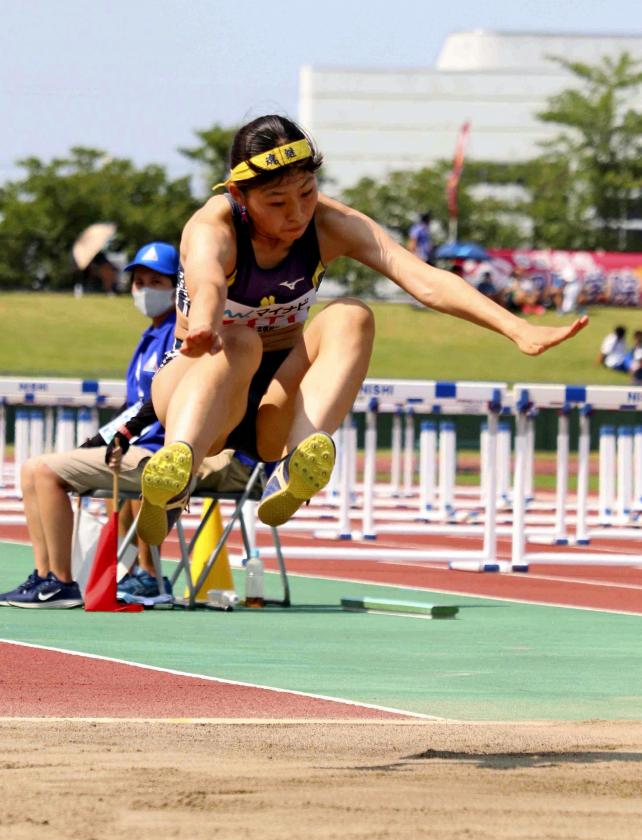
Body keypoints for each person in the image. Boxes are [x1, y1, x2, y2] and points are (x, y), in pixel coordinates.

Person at [137, 113, 588, 546]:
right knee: (241, 339)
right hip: (200, 385)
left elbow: (422, 278)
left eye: (307, 193)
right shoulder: (213, 225)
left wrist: (515, 328)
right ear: (239, 193)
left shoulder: (330, 224)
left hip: (274, 401)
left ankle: (295, 465)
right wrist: (203, 323)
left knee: (353, 314)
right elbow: (208, 280)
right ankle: (178, 471)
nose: (296, 214)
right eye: (277, 203)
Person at [0, 243, 252, 608]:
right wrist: (107, 437)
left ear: (177, 286)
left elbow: (160, 402)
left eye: (157, 281)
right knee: (32, 471)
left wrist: (111, 436)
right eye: (139, 281)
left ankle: (70, 580)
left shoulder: (181, 335)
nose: (145, 289)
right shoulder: (149, 336)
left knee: (41, 471)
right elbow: (136, 404)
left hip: (166, 448)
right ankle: (48, 576)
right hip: (138, 444)